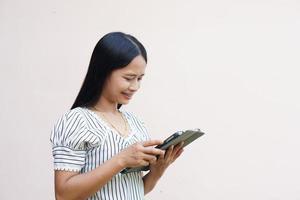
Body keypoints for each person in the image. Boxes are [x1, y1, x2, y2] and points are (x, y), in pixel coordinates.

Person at [50, 32, 184, 200]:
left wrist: (157, 171)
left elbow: (132, 191)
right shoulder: (75, 121)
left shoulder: (135, 123)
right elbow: (63, 195)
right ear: (103, 72)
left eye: (140, 78)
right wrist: (121, 160)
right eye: (129, 78)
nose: (135, 86)